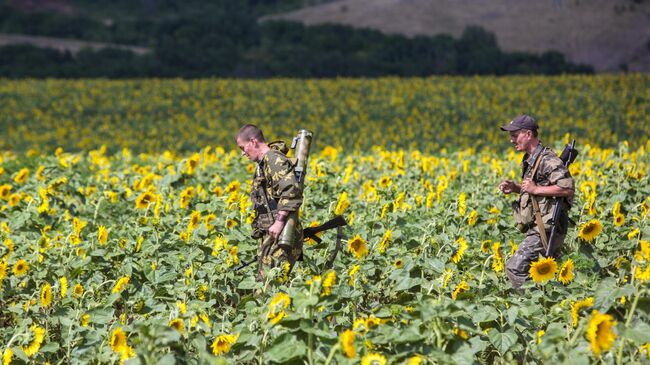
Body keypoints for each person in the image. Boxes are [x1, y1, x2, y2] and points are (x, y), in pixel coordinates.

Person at [498, 115, 575, 289]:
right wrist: (517, 188)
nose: (511, 140)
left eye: (515, 135)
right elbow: (539, 187)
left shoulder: (547, 159)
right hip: (541, 226)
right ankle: (549, 305)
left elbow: (568, 188)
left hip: (548, 227)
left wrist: (535, 189)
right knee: (550, 279)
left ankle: (532, 304)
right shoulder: (531, 159)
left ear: (528, 134)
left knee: (514, 268)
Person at [235, 124, 303, 282]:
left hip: (282, 232)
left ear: (253, 142)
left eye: (242, 147)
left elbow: (291, 191)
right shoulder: (263, 163)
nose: (242, 153)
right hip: (272, 234)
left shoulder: (273, 159)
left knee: (270, 287)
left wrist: (279, 222)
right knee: (266, 285)